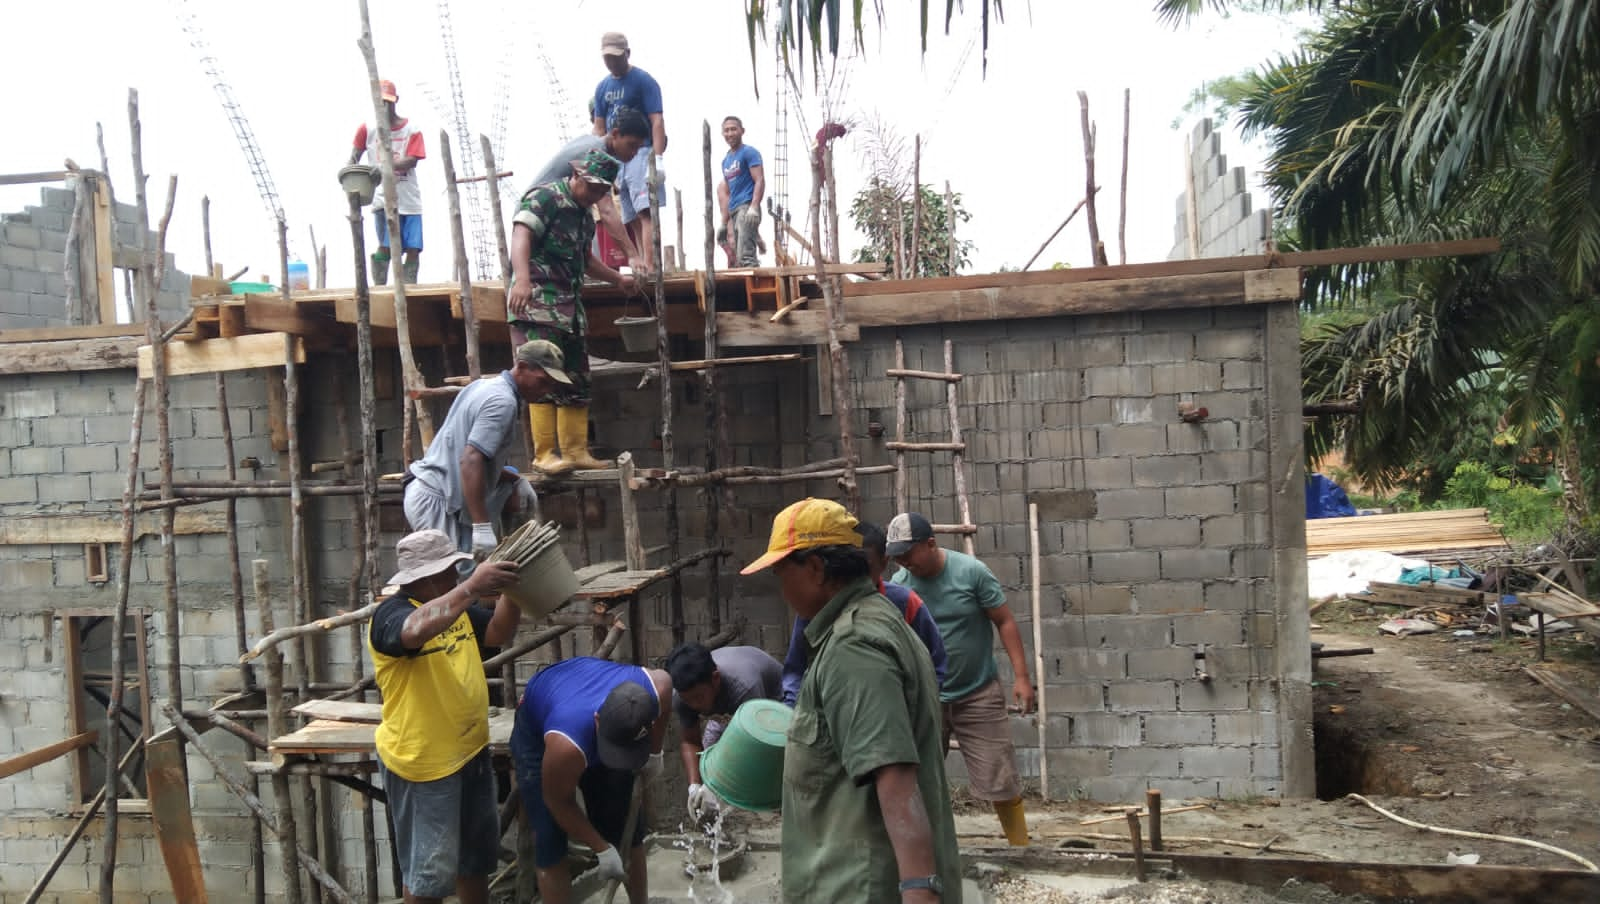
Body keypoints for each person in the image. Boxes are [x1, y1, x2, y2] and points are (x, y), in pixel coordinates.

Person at [741, 498, 961, 904]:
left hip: (860, 886)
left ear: (816, 568)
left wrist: (919, 890)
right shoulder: (870, 622)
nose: (780, 586)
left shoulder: (853, 646)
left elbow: (894, 776)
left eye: (780, 572)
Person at [367, 528, 521, 904]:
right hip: (426, 765)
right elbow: (413, 632)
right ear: (425, 577)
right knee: (428, 878)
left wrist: (515, 591)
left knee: (474, 862)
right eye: (450, 571)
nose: (456, 577)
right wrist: (470, 588)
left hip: (470, 754)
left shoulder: (457, 610)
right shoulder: (391, 615)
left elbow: (498, 631)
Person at [888, 512, 1035, 847]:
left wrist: (1022, 678)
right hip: (927, 697)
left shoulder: (972, 573)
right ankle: (924, 850)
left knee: (1001, 776)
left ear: (930, 544)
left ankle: (1020, 847)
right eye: (898, 556)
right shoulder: (899, 587)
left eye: (908, 553)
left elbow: (1005, 621)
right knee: (918, 777)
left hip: (978, 692)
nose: (904, 561)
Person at [509, 148, 634, 475]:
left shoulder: (583, 215)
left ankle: (576, 450)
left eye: (602, 191)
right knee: (540, 374)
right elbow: (521, 233)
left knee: (577, 377)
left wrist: (617, 278)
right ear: (577, 175)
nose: (596, 195)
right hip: (536, 302)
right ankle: (545, 453)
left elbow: (586, 261)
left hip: (568, 307)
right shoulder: (546, 198)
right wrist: (521, 279)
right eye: (592, 187)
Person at [510, 657, 673, 904]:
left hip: (583, 694)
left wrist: (654, 755)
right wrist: (602, 848)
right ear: (598, 721)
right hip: (539, 728)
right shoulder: (565, 744)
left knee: (624, 822)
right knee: (549, 837)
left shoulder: (656, 688)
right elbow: (558, 802)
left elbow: (665, 691)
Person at [402, 340, 572, 555]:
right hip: (436, 498)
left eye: (551, 385)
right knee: (452, 580)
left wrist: (515, 479)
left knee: (460, 577)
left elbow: (465, 457)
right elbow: (470, 460)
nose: (546, 390)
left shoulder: (485, 386)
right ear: (521, 367)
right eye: (542, 382)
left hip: (432, 491)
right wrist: (481, 526)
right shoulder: (502, 402)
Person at [781, 520, 947, 705]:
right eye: (850, 564)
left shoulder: (905, 602)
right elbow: (796, 669)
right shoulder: (817, 607)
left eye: (865, 566)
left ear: (883, 563)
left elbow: (934, 664)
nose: (856, 573)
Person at [524, 106, 652, 274]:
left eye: (638, 148)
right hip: (537, 217)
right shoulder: (597, 155)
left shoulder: (591, 142)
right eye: (631, 145)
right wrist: (633, 255)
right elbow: (606, 210)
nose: (634, 153)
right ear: (614, 134)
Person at [664, 642, 782, 820]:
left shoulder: (744, 687)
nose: (694, 705)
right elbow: (690, 741)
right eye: (688, 700)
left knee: (775, 763)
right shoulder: (682, 696)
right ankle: (712, 827)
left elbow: (751, 747)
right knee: (707, 767)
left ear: (716, 678)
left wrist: (718, 788)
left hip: (772, 704)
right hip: (724, 713)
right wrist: (695, 786)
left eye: (699, 697)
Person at [592, 32, 666, 273]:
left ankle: (652, 266)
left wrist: (657, 158)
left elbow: (656, 120)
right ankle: (642, 264)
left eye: (616, 57)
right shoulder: (602, 87)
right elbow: (599, 127)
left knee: (645, 210)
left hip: (640, 151)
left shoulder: (643, 81)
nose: (612, 62)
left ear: (627, 53)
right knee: (630, 215)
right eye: (607, 58)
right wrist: (601, 161)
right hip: (616, 156)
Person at [350, 79, 425, 286]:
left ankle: (409, 286)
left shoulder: (411, 129)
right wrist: (351, 176)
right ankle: (380, 285)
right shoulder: (367, 129)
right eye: (381, 102)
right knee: (387, 245)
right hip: (382, 197)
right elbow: (354, 158)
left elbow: (412, 160)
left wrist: (387, 167)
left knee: (413, 246)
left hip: (408, 197)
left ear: (396, 101)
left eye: (388, 102)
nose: (385, 107)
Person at [717, 116, 764, 267]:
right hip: (734, 211)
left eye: (733, 129)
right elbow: (728, 192)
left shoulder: (749, 153)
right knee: (738, 257)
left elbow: (759, 180)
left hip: (746, 207)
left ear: (742, 131)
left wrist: (754, 206)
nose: (730, 133)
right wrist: (724, 223)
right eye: (726, 130)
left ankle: (755, 286)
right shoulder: (726, 161)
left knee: (746, 257)